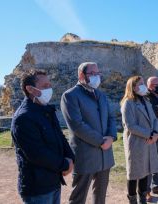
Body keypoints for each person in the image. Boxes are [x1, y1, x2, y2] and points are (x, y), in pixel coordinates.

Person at [11, 69, 75, 204]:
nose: (49, 89)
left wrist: (70, 158)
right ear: (30, 89)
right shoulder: (23, 118)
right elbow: (37, 153)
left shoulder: (46, 110)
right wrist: (64, 165)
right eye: (45, 86)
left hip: (53, 181)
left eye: (49, 85)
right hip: (37, 187)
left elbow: (60, 137)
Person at [61, 62, 117, 204]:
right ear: (81, 75)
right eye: (92, 73)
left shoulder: (101, 95)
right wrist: (101, 141)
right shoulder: (70, 96)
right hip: (86, 155)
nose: (96, 77)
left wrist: (111, 137)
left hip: (105, 155)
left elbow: (111, 117)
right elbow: (77, 125)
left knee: (100, 196)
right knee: (78, 197)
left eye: (98, 73)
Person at [120, 76, 158, 204]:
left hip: (149, 142)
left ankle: (142, 198)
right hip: (136, 143)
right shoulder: (128, 103)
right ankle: (132, 200)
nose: (143, 86)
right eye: (140, 84)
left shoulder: (146, 101)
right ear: (132, 87)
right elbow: (130, 125)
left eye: (143, 83)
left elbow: (154, 119)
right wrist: (149, 134)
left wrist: (155, 133)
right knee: (134, 174)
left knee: (145, 172)